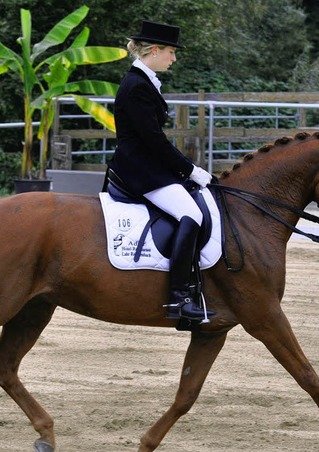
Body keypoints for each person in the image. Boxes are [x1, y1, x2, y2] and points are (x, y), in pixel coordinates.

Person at [108, 20, 215, 322]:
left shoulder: (144, 81)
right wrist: (190, 170)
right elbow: (153, 140)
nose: (174, 58)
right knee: (191, 215)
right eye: (171, 52)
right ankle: (178, 298)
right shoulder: (137, 87)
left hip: (147, 164)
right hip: (139, 170)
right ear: (154, 50)